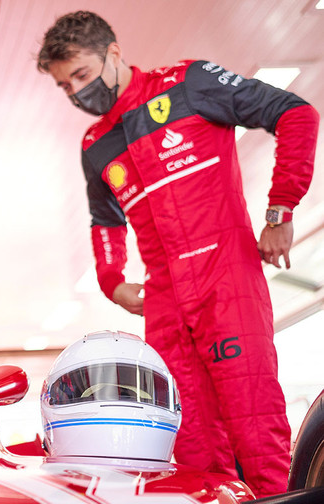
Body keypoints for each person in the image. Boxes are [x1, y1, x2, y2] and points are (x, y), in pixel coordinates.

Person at [36, 11, 318, 497]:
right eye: (65, 86)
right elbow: (105, 221)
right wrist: (111, 279)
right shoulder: (95, 145)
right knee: (187, 445)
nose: (77, 92)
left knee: (255, 429)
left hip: (227, 278)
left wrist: (280, 211)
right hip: (164, 302)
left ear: (115, 53)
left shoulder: (189, 84)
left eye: (81, 75)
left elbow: (296, 114)